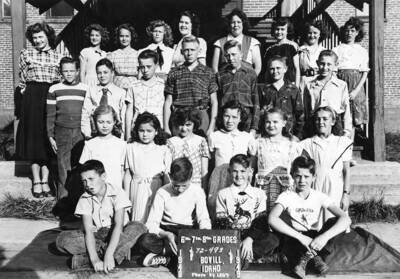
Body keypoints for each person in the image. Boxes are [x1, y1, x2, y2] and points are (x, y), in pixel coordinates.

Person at [56, 160, 147, 272]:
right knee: (62, 240)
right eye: (84, 181)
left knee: (139, 227)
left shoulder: (117, 193)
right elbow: (88, 231)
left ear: (103, 176)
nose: (88, 185)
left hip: (118, 233)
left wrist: (108, 254)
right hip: (97, 235)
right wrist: (94, 260)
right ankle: (116, 253)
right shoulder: (85, 198)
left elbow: (118, 225)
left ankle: (94, 257)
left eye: (91, 179)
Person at [268, 156, 351, 279]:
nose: (302, 180)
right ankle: (314, 259)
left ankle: (305, 260)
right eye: (298, 176)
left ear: (314, 177)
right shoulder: (287, 195)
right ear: (292, 176)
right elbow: (272, 219)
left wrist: (324, 237)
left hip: (314, 238)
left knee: (334, 221)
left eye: (306, 177)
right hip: (294, 237)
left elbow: (346, 219)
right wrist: (301, 237)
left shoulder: (319, 196)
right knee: (287, 235)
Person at [17, 22, 65, 198]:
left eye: (41, 37)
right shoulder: (26, 54)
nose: (37, 40)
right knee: (34, 138)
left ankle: (45, 180)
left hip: (51, 95)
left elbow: (61, 79)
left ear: (47, 37)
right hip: (32, 97)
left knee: (47, 137)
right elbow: (22, 79)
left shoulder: (58, 56)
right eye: (35, 37)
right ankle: (36, 180)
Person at [137, 157, 211, 267]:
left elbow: (203, 219)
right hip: (167, 231)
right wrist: (167, 235)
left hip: (188, 232)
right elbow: (151, 224)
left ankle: (167, 259)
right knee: (144, 241)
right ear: (170, 176)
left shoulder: (197, 192)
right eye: (176, 185)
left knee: (206, 245)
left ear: (191, 178)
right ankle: (179, 258)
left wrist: (203, 237)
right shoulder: (162, 192)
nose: (180, 189)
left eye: (184, 186)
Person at [215, 154, 279, 268]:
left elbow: (261, 221)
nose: (239, 175)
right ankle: (246, 258)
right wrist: (236, 241)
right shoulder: (223, 194)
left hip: (252, 235)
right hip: (231, 236)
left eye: (243, 171)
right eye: (235, 171)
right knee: (216, 240)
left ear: (251, 171)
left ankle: (239, 257)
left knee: (273, 239)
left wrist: (249, 239)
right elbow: (221, 222)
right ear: (229, 171)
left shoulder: (259, 193)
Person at [300, 106, 352, 225]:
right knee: (315, 222)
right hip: (316, 186)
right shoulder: (307, 144)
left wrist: (346, 194)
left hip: (335, 188)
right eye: (318, 119)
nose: (321, 122)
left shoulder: (342, 142)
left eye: (325, 119)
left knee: (335, 222)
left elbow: (346, 171)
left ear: (333, 121)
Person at [46, 57, 87, 200]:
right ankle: (63, 204)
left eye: (71, 71)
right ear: (60, 72)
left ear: (77, 71)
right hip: (61, 132)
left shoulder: (84, 89)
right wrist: (50, 136)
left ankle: (79, 201)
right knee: (63, 167)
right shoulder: (54, 89)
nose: (68, 74)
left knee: (79, 166)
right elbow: (50, 115)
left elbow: (88, 112)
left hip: (80, 131)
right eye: (65, 71)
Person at [249, 108, 302, 212]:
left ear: (284, 123)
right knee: (262, 216)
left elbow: (296, 171)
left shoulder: (291, 145)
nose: (271, 125)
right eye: (268, 122)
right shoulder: (258, 143)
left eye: (275, 122)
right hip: (262, 186)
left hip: (285, 188)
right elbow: (251, 167)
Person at [164, 36, 218, 136]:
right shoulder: (174, 73)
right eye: (186, 50)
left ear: (199, 50)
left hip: (201, 116)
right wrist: (166, 127)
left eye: (192, 50)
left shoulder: (208, 72)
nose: (189, 53)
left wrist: (211, 127)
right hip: (179, 116)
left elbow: (214, 101)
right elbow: (168, 101)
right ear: (181, 51)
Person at [207, 101, 254, 218]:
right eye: (226, 116)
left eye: (234, 117)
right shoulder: (214, 136)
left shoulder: (246, 137)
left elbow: (252, 159)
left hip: (239, 177)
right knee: (217, 206)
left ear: (240, 119)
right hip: (220, 177)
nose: (230, 121)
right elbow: (210, 159)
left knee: (237, 207)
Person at [123, 112, 171, 223]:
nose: (145, 134)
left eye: (149, 131)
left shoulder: (163, 149)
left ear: (156, 131)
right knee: (137, 221)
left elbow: (166, 177)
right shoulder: (131, 148)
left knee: (154, 220)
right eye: (141, 131)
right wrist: (126, 198)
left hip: (156, 188)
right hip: (137, 189)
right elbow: (128, 174)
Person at [333, 17, 369, 138]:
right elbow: (333, 71)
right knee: (341, 115)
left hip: (355, 84)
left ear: (357, 33)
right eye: (347, 30)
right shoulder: (337, 49)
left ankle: (350, 146)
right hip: (340, 81)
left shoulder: (361, 51)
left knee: (353, 117)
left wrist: (356, 91)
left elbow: (364, 73)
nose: (349, 33)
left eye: (352, 30)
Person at [303, 50, 351, 138]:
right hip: (316, 125)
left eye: (329, 64)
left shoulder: (341, 85)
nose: (325, 67)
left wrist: (347, 131)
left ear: (335, 65)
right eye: (322, 63)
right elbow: (306, 111)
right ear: (317, 63)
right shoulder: (310, 85)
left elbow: (346, 109)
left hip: (335, 126)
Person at [216, 40, 260, 136]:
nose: (231, 58)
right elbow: (218, 102)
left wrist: (254, 128)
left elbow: (256, 102)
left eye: (234, 54)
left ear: (241, 54)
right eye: (227, 55)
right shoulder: (220, 75)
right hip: (228, 120)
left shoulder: (250, 74)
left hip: (246, 120)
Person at [80, 105, 127, 190]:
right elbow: (85, 172)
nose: (105, 126)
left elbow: (123, 172)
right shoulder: (90, 144)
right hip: (95, 191)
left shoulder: (121, 145)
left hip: (115, 190)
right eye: (101, 122)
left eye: (108, 122)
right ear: (95, 121)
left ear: (114, 122)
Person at [260, 55, 304, 140]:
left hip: (288, 135)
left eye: (278, 68)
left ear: (285, 69)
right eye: (272, 69)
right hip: (269, 134)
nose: (275, 71)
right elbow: (261, 113)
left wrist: (297, 135)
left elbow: (300, 115)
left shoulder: (293, 90)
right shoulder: (264, 90)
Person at [81, 58, 126, 139]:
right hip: (95, 132)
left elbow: (123, 116)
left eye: (105, 72)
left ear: (112, 73)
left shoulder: (121, 93)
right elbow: (85, 114)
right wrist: (87, 134)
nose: (102, 76)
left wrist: (122, 137)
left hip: (115, 133)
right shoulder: (91, 90)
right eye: (99, 73)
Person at [125, 50, 165, 140]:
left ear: (156, 65)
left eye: (149, 66)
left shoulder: (163, 85)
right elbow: (129, 111)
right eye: (142, 67)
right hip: (139, 130)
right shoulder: (133, 86)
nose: (145, 70)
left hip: (157, 130)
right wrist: (127, 135)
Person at [167, 109, 210, 190]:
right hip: (177, 185)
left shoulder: (201, 141)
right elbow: (168, 168)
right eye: (181, 124)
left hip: (196, 184)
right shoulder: (171, 142)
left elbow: (204, 170)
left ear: (194, 124)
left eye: (188, 125)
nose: (184, 128)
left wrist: (203, 189)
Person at [212, 8, 262, 75]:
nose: (236, 25)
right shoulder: (219, 43)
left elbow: (258, 67)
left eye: (239, 22)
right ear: (229, 24)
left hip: (246, 82)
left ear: (243, 23)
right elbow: (214, 68)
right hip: (225, 82)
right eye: (233, 22)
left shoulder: (253, 42)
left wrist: (250, 81)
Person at [264, 18, 300, 86]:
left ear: (287, 31)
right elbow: (267, 71)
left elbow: (297, 68)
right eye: (277, 29)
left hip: (289, 83)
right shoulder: (270, 49)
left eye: (282, 29)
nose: (279, 32)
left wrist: (297, 86)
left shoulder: (292, 46)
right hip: (274, 83)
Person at [107, 23, 139, 90]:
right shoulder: (113, 55)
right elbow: (110, 74)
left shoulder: (137, 54)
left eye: (127, 36)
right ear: (118, 37)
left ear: (131, 37)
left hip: (134, 86)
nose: (124, 39)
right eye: (121, 36)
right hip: (117, 86)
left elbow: (140, 74)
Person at [298, 20, 327, 88]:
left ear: (320, 34)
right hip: (303, 82)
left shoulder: (324, 51)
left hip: (319, 82)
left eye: (315, 33)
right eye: (309, 33)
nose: (312, 35)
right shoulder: (300, 50)